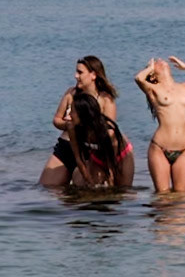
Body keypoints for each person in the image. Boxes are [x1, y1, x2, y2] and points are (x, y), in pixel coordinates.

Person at [40, 56, 133, 189]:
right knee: (47, 187)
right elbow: (56, 120)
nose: (76, 76)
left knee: (88, 192)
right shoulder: (71, 93)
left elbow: (108, 132)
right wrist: (68, 125)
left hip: (91, 151)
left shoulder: (106, 99)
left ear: (93, 75)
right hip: (66, 146)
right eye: (76, 72)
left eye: (80, 72)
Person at [134, 55, 185, 193]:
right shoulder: (153, 89)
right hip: (160, 148)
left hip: (184, 149)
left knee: (182, 196)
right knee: (163, 196)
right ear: (153, 76)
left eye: (159, 62)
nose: (160, 60)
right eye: (157, 64)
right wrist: (150, 68)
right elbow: (138, 79)